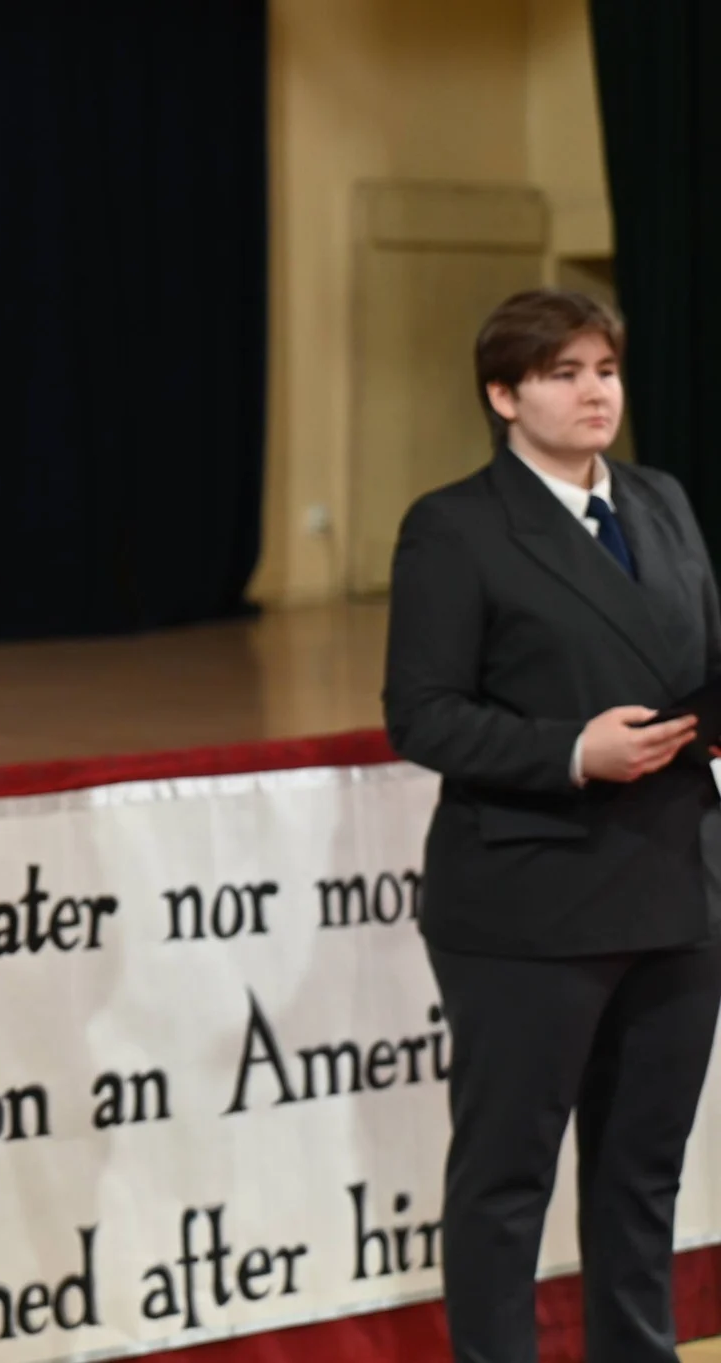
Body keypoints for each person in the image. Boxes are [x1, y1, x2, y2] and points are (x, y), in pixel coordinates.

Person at [384, 288, 721, 1362]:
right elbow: (421, 713)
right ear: (501, 394)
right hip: (528, 897)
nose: (592, 391)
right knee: (505, 1180)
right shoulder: (454, 526)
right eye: (563, 371)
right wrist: (570, 752)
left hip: (675, 883)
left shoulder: (659, 499)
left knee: (639, 1174)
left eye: (605, 370)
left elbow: (698, 664)